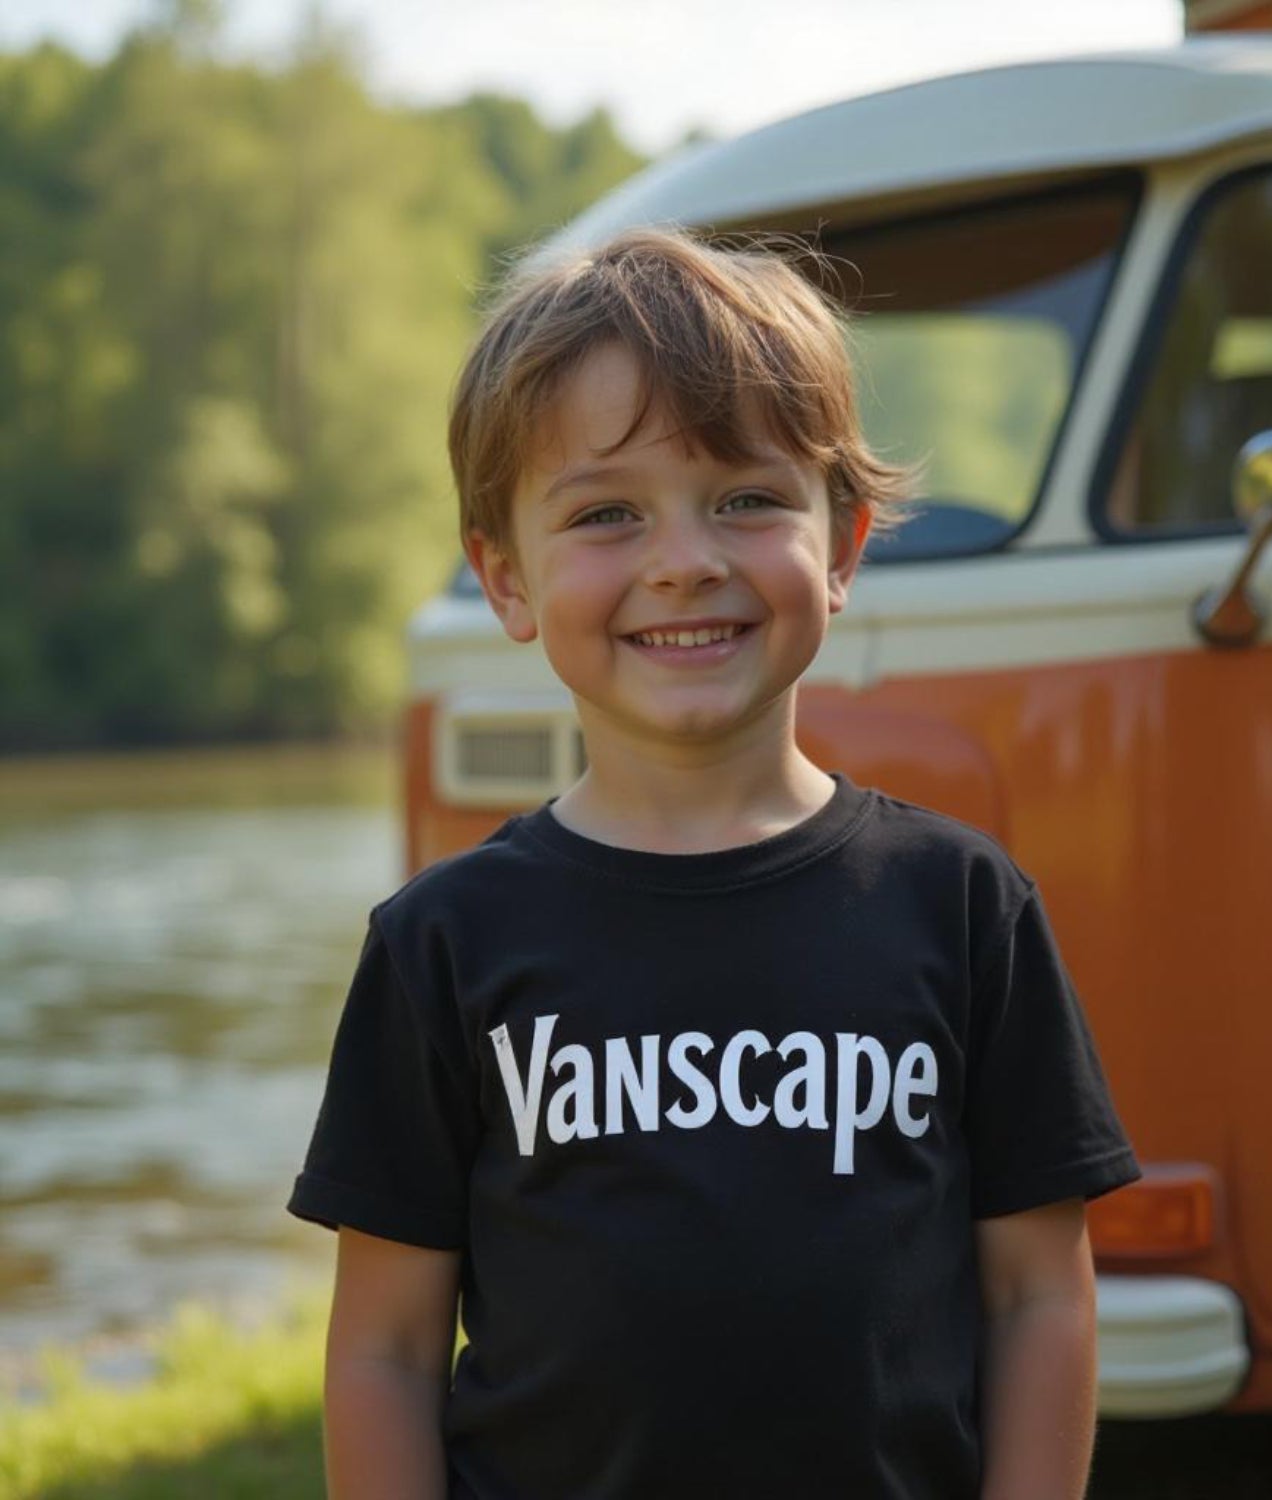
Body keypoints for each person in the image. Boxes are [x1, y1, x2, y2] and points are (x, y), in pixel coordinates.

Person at [289, 227, 1141, 1500]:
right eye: (607, 513)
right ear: (506, 578)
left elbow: (1038, 1299)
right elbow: (385, 1351)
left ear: (840, 547)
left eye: (746, 498)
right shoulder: (443, 943)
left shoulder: (964, 909)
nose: (685, 560)